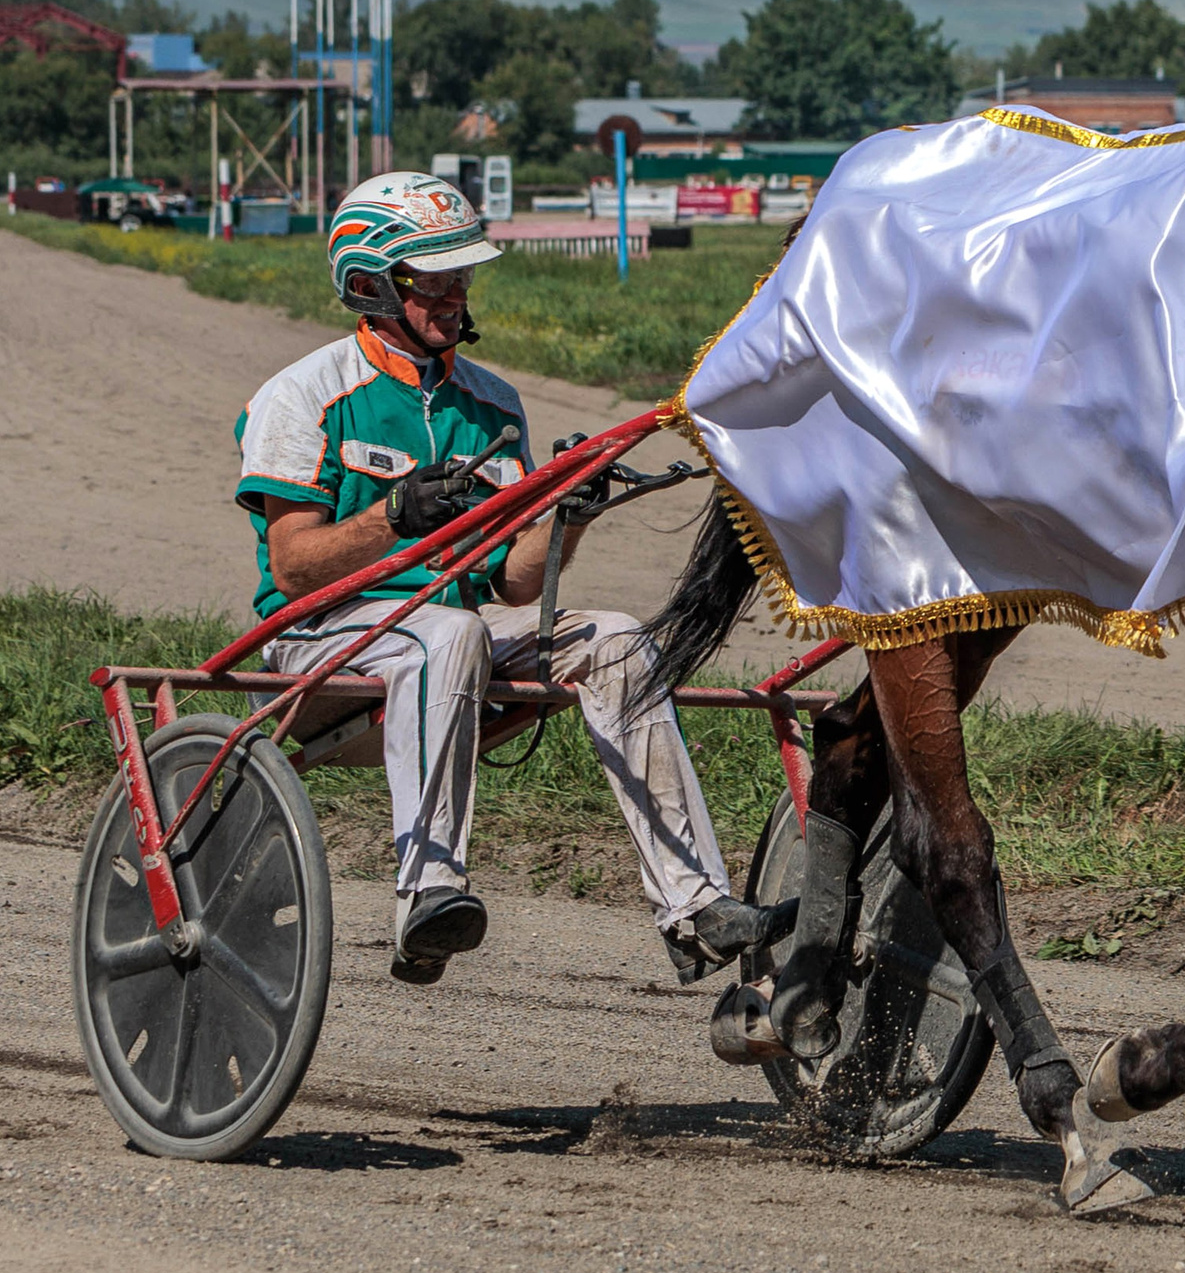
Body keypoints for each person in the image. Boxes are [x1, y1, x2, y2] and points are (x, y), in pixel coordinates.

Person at [234, 171, 780, 984]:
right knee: (446, 633)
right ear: (370, 282)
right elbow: (293, 564)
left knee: (622, 640)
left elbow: (519, 586)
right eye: (434, 276)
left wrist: (569, 516)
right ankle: (428, 891)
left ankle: (695, 908)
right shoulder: (303, 396)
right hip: (320, 642)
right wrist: (393, 516)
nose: (456, 293)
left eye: (462, 274)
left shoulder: (493, 405)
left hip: (450, 636)